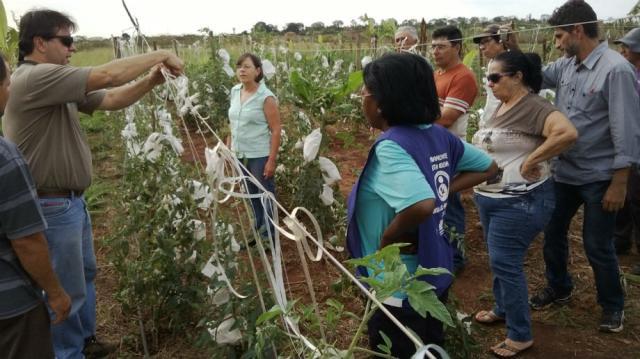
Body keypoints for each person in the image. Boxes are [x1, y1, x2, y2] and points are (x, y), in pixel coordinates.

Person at [2, 9, 184, 358]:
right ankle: (68, 352)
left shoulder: (54, 82)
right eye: (66, 40)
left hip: (69, 202)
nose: (72, 48)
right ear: (39, 43)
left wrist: (151, 80)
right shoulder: (35, 78)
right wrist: (160, 54)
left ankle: (83, 341)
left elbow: (112, 100)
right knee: (63, 287)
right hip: (51, 206)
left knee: (83, 276)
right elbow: (107, 76)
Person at [346, 53, 497, 359]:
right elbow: (489, 166)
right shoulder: (438, 135)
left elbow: (421, 204)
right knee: (428, 345)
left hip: (397, 283)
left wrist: (389, 239)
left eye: (363, 93)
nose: (362, 100)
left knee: (398, 348)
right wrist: (444, 190)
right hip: (432, 269)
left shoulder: (392, 146)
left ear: (381, 101)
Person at [527, 0, 640, 333]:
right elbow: (537, 76)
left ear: (578, 30)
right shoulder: (567, 65)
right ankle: (559, 287)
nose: (558, 43)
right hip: (565, 171)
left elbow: (626, 128)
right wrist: (513, 52)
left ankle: (612, 306)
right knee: (553, 232)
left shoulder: (615, 69)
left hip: (600, 176)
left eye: (561, 36)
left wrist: (620, 181)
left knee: (597, 244)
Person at [471, 50, 578, 358]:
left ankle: (520, 334)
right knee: (498, 259)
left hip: (520, 201)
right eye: (487, 77)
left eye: (494, 77)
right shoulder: (502, 105)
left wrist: (533, 158)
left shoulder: (535, 106)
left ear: (518, 77)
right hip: (493, 198)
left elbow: (567, 132)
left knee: (506, 261)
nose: (489, 83)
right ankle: (503, 308)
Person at [0, 54, 71, 359]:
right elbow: (27, 241)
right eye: (6, 81)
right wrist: (55, 293)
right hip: (10, 310)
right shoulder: (6, 158)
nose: (10, 87)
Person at [431, 25, 479, 272]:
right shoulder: (438, 74)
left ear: (457, 46)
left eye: (441, 46)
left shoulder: (463, 76)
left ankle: (456, 258)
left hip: (448, 148)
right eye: (433, 46)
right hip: (433, 146)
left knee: (449, 200)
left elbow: (446, 117)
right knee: (438, 199)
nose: (435, 51)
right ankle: (441, 251)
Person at [228, 53, 281, 241]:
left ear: (257, 71)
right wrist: (229, 149)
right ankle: (259, 228)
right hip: (239, 153)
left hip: (259, 156)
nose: (242, 70)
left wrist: (271, 161)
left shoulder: (266, 97)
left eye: (247, 66)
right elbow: (232, 123)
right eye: (239, 66)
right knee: (251, 195)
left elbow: (276, 130)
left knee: (265, 195)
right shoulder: (235, 91)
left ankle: (270, 236)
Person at [613, 27, 640, 275]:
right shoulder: (627, 73)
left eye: (627, 47)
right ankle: (621, 240)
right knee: (627, 198)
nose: (622, 50)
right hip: (631, 148)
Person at [472, 24, 519, 128]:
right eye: (480, 44)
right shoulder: (492, 63)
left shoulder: (512, 64)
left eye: (486, 41)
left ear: (501, 41)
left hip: (506, 122)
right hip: (491, 119)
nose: (481, 47)